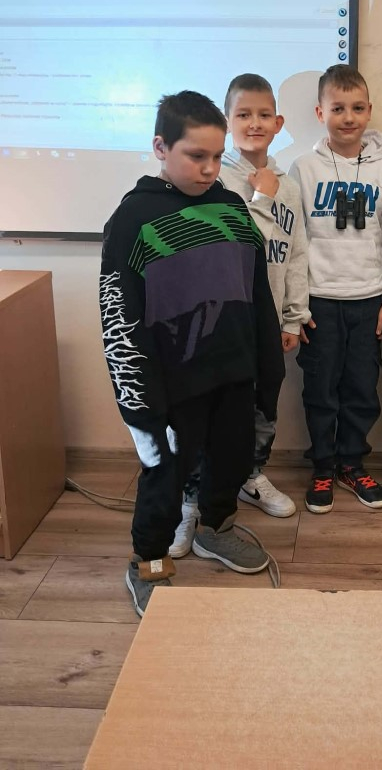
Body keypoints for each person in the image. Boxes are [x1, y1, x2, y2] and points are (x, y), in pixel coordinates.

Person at [99, 90, 284, 617]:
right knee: (166, 478)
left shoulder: (232, 207)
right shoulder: (133, 220)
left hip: (233, 371)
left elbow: (257, 293)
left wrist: (268, 367)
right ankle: (149, 562)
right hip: (171, 385)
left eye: (216, 156)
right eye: (195, 156)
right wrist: (139, 403)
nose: (208, 169)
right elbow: (118, 317)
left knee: (231, 459)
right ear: (161, 147)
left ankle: (216, 529)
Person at [289, 64, 382, 513]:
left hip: (368, 300)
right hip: (319, 302)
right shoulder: (303, 168)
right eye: (337, 108)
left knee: (362, 389)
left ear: (369, 110)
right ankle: (322, 467)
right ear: (320, 113)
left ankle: (352, 463)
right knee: (320, 390)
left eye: (356, 108)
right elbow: (295, 242)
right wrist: (296, 308)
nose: (348, 117)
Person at [219, 73, 310, 520]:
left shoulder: (288, 186)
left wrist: (293, 317)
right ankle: (204, 491)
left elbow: (295, 253)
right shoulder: (216, 181)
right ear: (227, 122)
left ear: (278, 123)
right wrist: (260, 196)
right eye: (243, 114)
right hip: (225, 325)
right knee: (221, 409)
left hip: (269, 322)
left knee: (264, 405)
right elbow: (237, 249)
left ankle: (252, 475)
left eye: (263, 115)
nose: (253, 123)